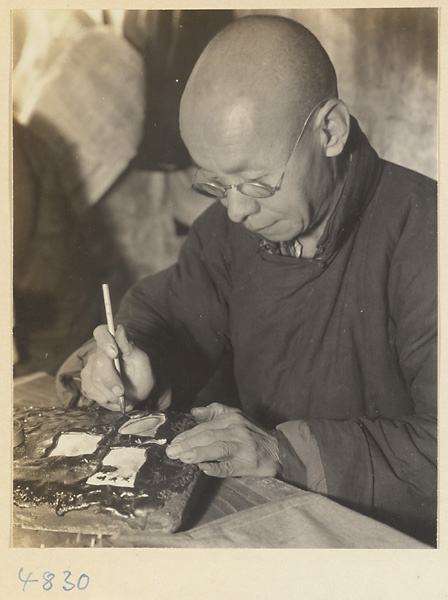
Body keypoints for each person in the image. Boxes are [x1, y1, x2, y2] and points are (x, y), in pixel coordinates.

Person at [57, 15, 437, 545]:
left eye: (257, 182)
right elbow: (170, 315)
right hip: (270, 517)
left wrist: (284, 452)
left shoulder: (426, 235)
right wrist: (139, 364)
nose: (235, 210)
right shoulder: (229, 230)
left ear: (330, 130)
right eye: (216, 184)